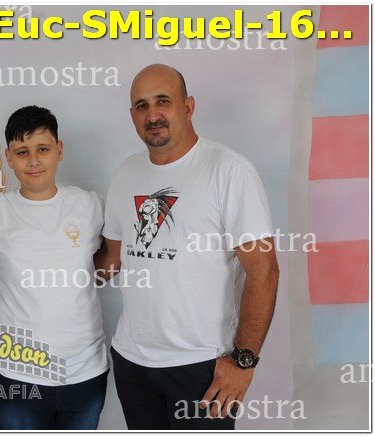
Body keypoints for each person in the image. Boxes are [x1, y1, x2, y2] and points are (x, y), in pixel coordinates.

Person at [95, 64, 280, 430]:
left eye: (162, 101)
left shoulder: (229, 170)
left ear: (188, 106)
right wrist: (48, 258)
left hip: (202, 367)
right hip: (132, 362)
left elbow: (265, 271)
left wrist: (244, 362)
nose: (152, 115)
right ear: (132, 115)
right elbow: (111, 261)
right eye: (142, 106)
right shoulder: (125, 174)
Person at [0, 106, 109, 430]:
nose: (33, 161)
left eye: (43, 149)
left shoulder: (90, 205)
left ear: (59, 150)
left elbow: (117, 252)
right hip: (13, 375)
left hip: (84, 372)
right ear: (8, 157)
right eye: (22, 152)